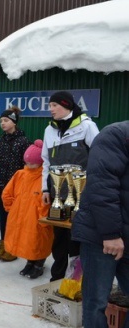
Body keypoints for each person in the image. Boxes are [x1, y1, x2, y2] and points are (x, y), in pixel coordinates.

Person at [71, 121, 129, 328]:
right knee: (96, 302)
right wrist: (111, 234)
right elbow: (102, 187)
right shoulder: (116, 136)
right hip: (102, 237)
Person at [41, 90, 99, 281]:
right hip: (58, 194)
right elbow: (46, 162)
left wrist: (91, 189)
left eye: (54, 105)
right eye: (49, 106)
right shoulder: (49, 130)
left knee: (76, 240)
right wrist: (45, 188)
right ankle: (56, 279)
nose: (51, 109)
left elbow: (99, 158)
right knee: (58, 241)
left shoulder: (87, 127)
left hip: (81, 197)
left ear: (66, 105)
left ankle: (74, 282)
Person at [2, 140, 52, 279]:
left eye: (33, 163)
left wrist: (44, 218)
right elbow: (7, 192)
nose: (29, 166)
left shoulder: (45, 177)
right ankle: (30, 262)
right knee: (27, 241)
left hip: (36, 216)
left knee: (38, 241)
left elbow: (46, 201)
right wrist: (12, 208)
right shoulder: (20, 174)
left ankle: (39, 264)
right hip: (22, 214)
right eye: (27, 162)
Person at [0, 106, 31, 262]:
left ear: (14, 122)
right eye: (1, 121)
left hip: (16, 189)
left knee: (13, 218)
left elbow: (26, 166)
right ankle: (3, 245)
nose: (3, 123)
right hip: (1, 187)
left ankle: (12, 247)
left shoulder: (23, 141)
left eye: (6, 120)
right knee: (3, 217)